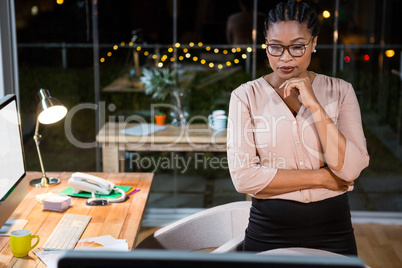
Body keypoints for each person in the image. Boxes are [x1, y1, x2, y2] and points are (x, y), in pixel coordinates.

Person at [227, 0, 369, 255]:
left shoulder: (341, 91)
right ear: (265, 44)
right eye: (275, 47)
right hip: (267, 231)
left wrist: (314, 106)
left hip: (333, 231)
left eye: (297, 47)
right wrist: (324, 178)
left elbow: (351, 168)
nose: (285, 58)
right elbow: (243, 177)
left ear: (314, 43)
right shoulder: (245, 96)